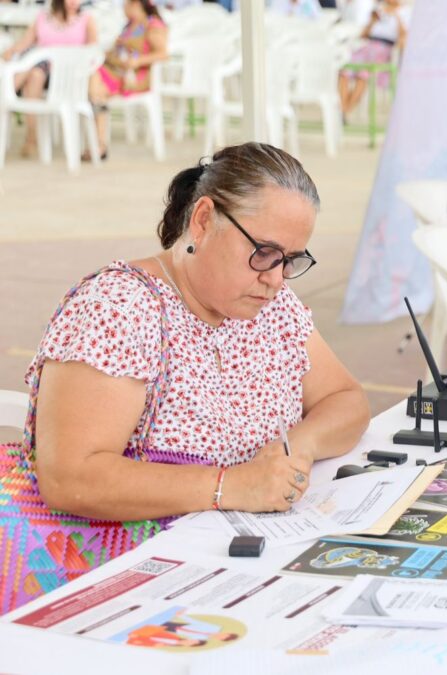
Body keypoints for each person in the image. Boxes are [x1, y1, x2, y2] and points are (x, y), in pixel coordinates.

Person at [0, 143, 371, 614]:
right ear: (202, 220)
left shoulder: (269, 307)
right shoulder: (120, 307)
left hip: (227, 573)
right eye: (264, 253)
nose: (276, 279)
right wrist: (231, 486)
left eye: (291, 260)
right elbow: (71, 476)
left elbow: (345, 398)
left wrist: (296, 447)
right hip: (118, 584)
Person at [0, 0, 97, 158]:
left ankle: (8, 95)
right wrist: (8, 54)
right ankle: (31, 136)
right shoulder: (42, 17)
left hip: (70, 75)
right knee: (35, 74)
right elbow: (24, 43)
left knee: (31, 72)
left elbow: (93, 50)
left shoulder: (86, 19)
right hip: (41, 70)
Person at [86, 0, 169, 161]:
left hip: (135, 78)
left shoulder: (153, 25)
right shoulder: (130, 24)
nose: (122, 6)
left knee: (95, 83)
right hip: (117, 72)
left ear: (135, 3)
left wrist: (138, 61)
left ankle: (99, 144)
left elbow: (163, 54)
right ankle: (99, 143)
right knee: (94, 81)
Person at [338, 0, 408, 122]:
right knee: (344, 71)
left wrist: (396, 16)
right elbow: (363, 35)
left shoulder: (404, 12)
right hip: (366, 47)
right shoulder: (377, 9)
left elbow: (403, 38)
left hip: (384, 50)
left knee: (363, 75)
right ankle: (343, 109)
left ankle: (344, 110)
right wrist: (372, 21)